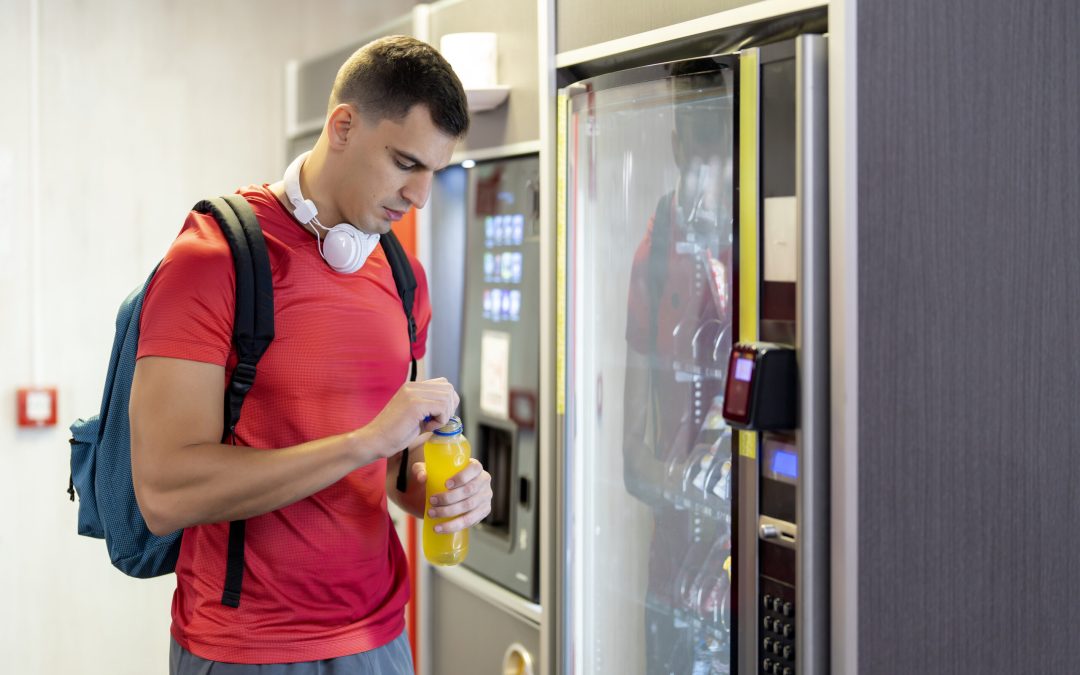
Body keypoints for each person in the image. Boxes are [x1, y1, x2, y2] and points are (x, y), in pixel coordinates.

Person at [128, 35, 492, 673]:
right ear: (343, 126)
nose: (420, 196)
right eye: (406, 162)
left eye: (434, 171)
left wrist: (440, 490)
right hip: (247, 652)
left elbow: (390, 469)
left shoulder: (405, 279)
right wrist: (362, 443)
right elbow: (165, 492)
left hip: (382, 641)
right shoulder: (212, 262)